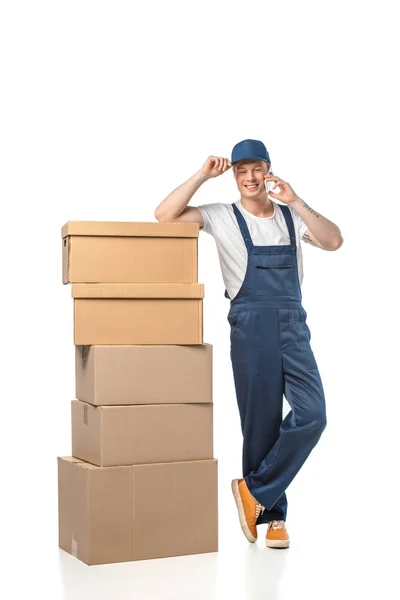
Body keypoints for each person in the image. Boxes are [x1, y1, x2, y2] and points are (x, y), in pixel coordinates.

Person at [154, 139, 343, 549]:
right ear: (234, 176)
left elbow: (333, 241)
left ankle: (254, 490)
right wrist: (203, 175)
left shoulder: (292, 217)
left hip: (294, 324)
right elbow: (164, 216)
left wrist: (297, 199)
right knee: (260, 424)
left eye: (256, 169)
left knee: (313, 414)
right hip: (250, 325)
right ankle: (273, 517)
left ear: (269, 170)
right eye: (241, 171)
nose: (250, 177)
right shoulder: (222, 216)